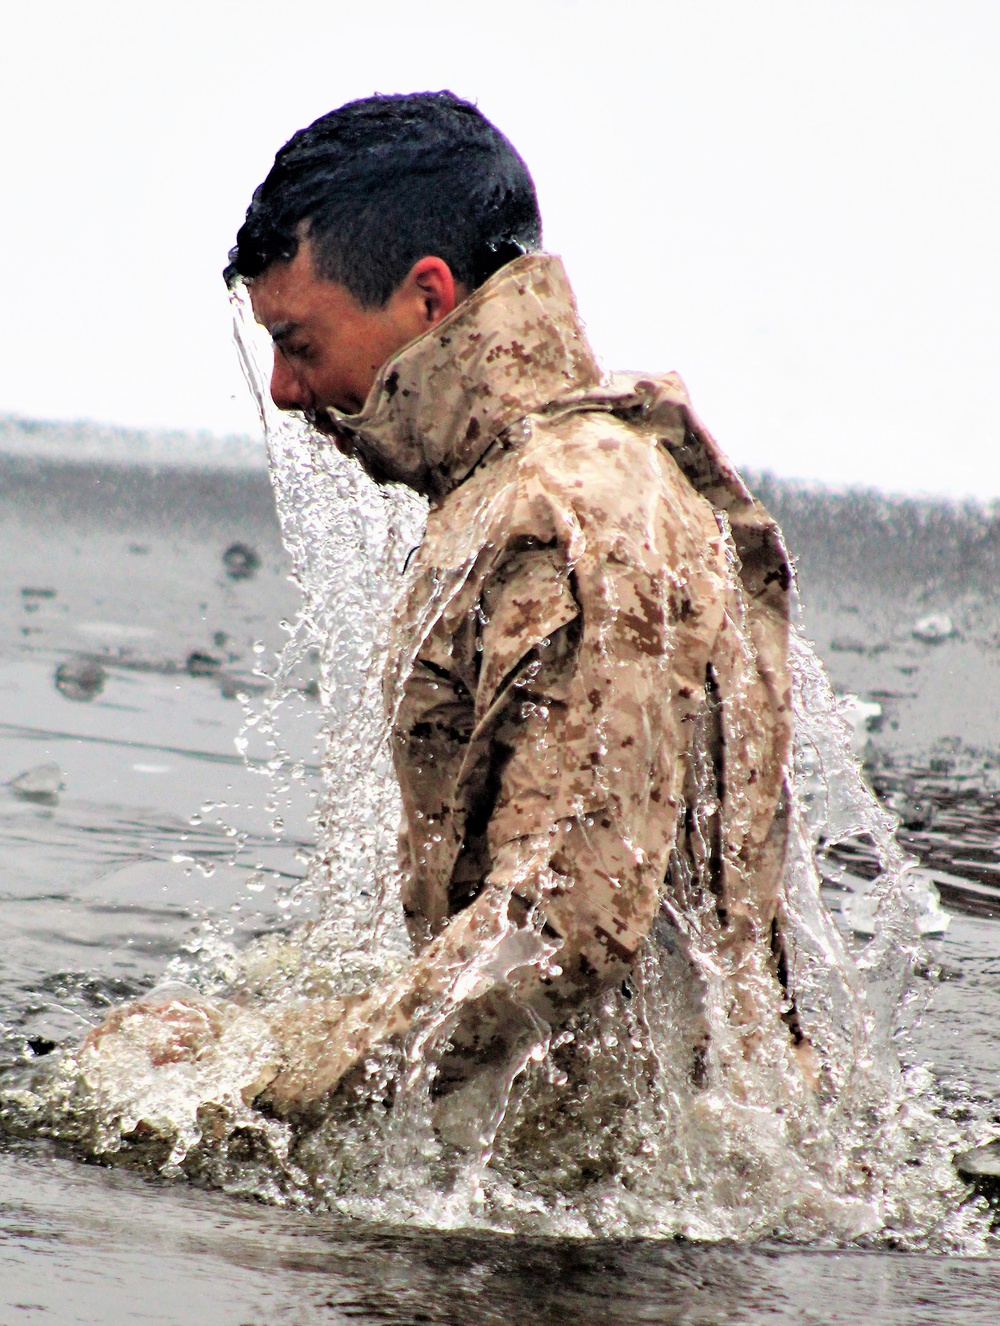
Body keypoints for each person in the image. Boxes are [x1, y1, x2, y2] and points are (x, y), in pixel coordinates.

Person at [88, 91, 813, 1115]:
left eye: (299, 342)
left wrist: (261, 1078)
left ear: (428, 298)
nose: (288, 391)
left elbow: (563, 926)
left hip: (610, 1225)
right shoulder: (542, 481)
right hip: (610, 1141)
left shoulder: (573, 514)